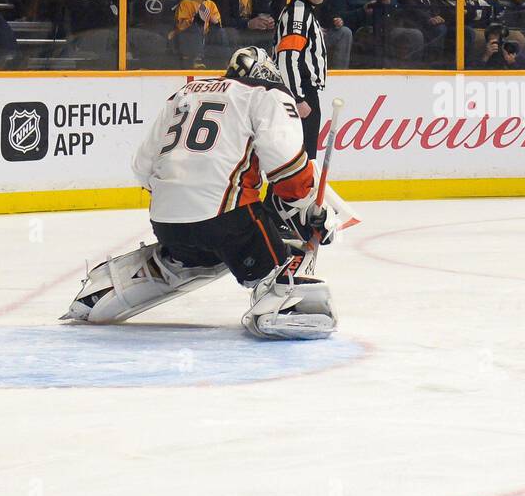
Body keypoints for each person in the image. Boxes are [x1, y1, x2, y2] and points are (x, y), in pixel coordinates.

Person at [63, 47, 336, 340]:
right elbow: (285, 166)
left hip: (167, 226)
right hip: (227, 223)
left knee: (196, 250)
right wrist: (309, 209)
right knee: (293, 232)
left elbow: (142, 167)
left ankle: (137, 276)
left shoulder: (186, 92)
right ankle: (285, 295)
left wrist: (182, 197)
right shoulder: (266, 93)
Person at [275, 0, 331, 159]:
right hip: (301, 92)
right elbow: (287, 58)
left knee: (294, 161)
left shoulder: (305, 11)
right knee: (299, 162)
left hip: (303, 91)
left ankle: (279, 193)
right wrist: (297, 98)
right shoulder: (299, 13)